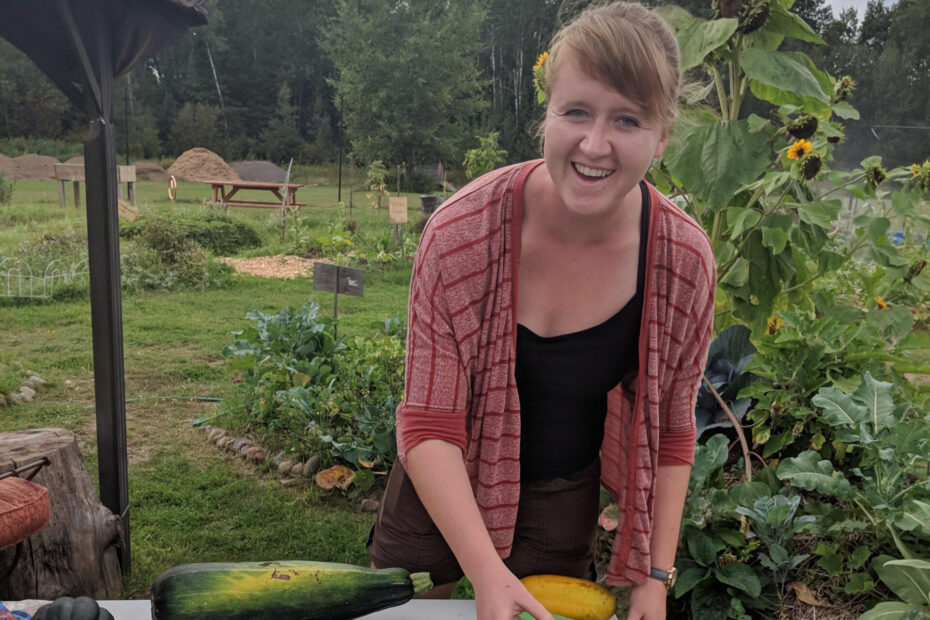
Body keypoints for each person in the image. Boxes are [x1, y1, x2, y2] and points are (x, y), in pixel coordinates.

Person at [367, 3, 716, 619]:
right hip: (440, 478)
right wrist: (485, 573)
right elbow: (428, 427)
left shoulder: (683, 262)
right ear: (547, 114)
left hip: (563, 488)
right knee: (409, 609)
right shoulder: (459, 235)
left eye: (628, 120)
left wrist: (655, 579)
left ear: (663, 136)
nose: (595, 144)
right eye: (576, 111)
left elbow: (670, 433)